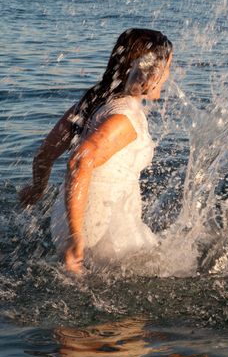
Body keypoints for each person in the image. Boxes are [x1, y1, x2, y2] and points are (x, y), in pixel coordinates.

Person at [19, 28, 173, 273]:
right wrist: (78, 237)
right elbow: (80, 161)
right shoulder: (126, 117)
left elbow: (45, 153)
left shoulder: (94, 100)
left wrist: (37, 189)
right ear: (151, 73)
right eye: (167, 68)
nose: (168, 76)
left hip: (65, 220)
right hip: (103, 231)